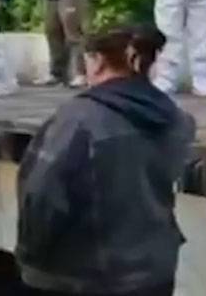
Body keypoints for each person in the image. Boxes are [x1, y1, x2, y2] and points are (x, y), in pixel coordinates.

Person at [17, 25, 195, 296]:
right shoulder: (177, 119)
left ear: (98, 61)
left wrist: (30, 258)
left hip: (83, 277)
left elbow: (42, 195)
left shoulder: (78, 118)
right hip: (153, 272)